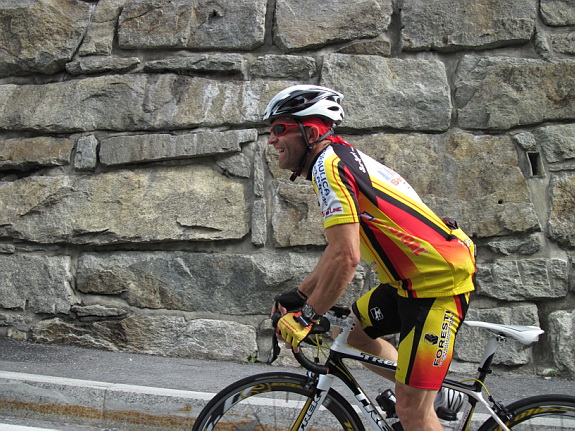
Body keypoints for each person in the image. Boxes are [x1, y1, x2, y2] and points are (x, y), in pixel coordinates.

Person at [265, 85, 476, 431]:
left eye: (279, 129)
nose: (271, 139)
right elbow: (338, 250)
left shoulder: (330, 168)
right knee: (353, 333)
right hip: (410, 280)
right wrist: (300, 294)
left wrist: (307, 316)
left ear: (311, 132)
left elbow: (347, 258)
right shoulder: (337, 159)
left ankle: (421, 401)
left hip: (438, 284)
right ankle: (433, 394)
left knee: (410, 410)